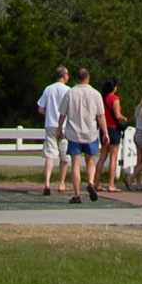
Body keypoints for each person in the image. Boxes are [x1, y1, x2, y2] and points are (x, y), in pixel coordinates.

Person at [60, 67, 106, 205]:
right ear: (88, 78)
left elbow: (62, 114)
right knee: (90, 161)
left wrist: (59, 128)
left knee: (75, 163)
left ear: (76, 78)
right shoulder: (96, 94)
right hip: (90, 132)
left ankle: (77, 194)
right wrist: (105, 132)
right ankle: (91, 182)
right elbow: (100, 115)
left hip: (74, 133)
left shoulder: (70, 93)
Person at [38, 64, 71, 197]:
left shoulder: (48, 89)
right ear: (64, 76)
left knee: (50, 154)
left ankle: (47, 182)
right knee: (65, 156)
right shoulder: (68, 90)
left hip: (50, 124)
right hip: (64, 126)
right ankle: (61, 183)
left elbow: (40, 108)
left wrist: (49, 114)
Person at [96, 78, 126, 190]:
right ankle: (111, 184)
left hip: (104, 128)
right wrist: (125, 118)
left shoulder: (102, 99)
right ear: (114, 88)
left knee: (102, 157)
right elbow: (117, 115)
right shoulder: (114, 99)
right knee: (113, 157)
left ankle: (96, 182)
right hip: (113, 128)